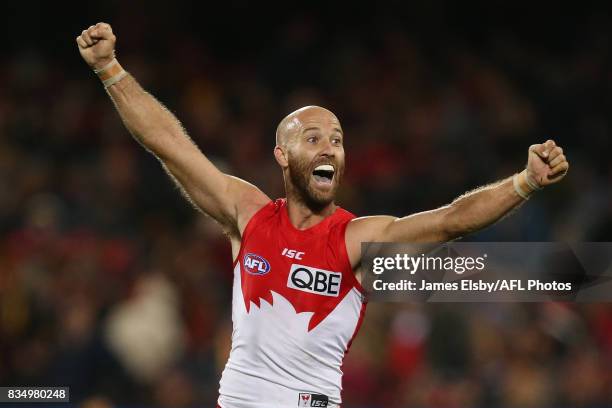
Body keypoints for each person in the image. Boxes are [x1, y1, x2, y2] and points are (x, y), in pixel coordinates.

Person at [76, 22, 569, 408]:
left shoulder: (357, 239)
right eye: (313, 138)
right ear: (282, 156)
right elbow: (170, 146)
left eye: (336, 138)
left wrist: (523, 182)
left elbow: (452, 220)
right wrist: (110, 71)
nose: (329, 146)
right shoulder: (247, 214)